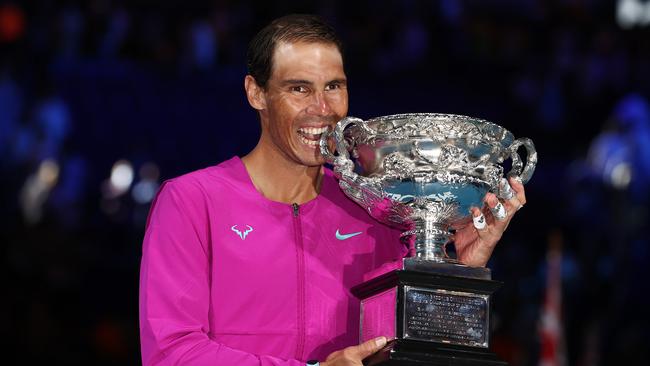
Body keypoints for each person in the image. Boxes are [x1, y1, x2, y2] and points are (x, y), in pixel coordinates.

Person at [139, 14, 527, 366]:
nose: (322, 108)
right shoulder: (191, 201)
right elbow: (173, 353)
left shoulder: (376, 205)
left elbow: (423, 345)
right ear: (256, 93)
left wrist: (459, 268)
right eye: (299, 89)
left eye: (334, 86)